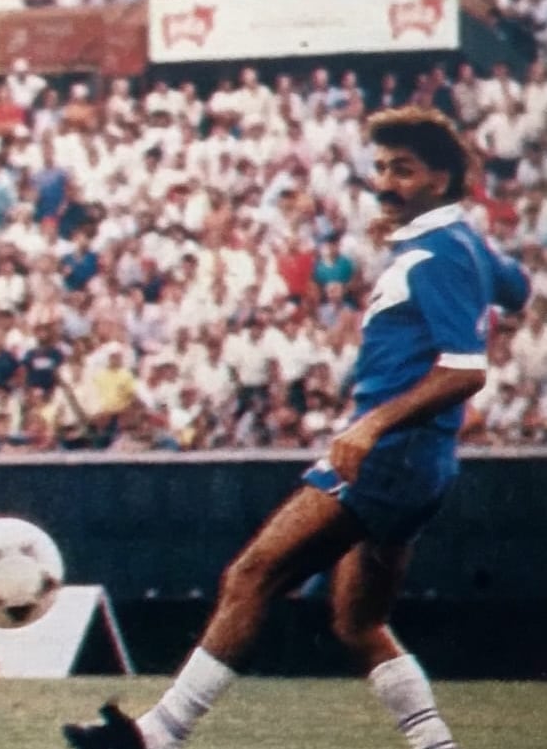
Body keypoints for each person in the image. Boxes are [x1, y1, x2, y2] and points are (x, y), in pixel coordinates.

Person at [62, 106, 530, 749]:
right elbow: (517, 289)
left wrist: (371, 427)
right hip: (424, 462)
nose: (385, 183)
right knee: (358, 622)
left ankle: (157, 736)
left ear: (441, 178)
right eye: (381, 168)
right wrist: (472, 262)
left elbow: (465, 370)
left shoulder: (437, 254)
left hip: (390, 454)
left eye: (403, 171)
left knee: (253, 575)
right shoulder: (460, 243)